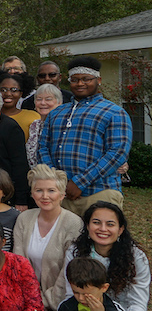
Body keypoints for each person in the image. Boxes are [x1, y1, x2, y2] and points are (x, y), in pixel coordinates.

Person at [56, 202, 152, 311]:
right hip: (86, 309)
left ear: (121, 229)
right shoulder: (76, 252)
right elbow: (71, 292)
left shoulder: (136, 257)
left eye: (110, 224)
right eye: (96, 222)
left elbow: (139, 299)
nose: (103, 229)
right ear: (87, 226)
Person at [38, 56, 132, 215]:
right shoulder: (56, 113)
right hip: (60, 196)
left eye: (86, 79)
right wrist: (58, 181)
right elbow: (43, 148)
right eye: (75, 80)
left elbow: (117, 153)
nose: (80, 83)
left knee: (99, 239)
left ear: (98, 80)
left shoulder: (114, 112)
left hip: (100, 193)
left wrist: (79, 183)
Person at [12, 164, 83, 311]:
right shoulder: (24, 218)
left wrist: (45, 302)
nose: (45, 196)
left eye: (51, 190)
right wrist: (29, 300)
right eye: (39, 190)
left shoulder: (73, 223)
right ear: (32, 194)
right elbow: (18, 264)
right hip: (24, 300)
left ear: (62, 194)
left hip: (58, 303)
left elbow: (68, 272)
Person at [24, 84, 62, 166]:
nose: (43, 103)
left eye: (48, 99)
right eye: (39, 99)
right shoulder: (34, 125)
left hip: (56, 175)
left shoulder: (62, 125)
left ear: (59, 103)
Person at [0, 73, 38, 141]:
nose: (8, 94)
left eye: (14, 90)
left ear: (21, 93)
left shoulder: (33, 117)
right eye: (3, 90)